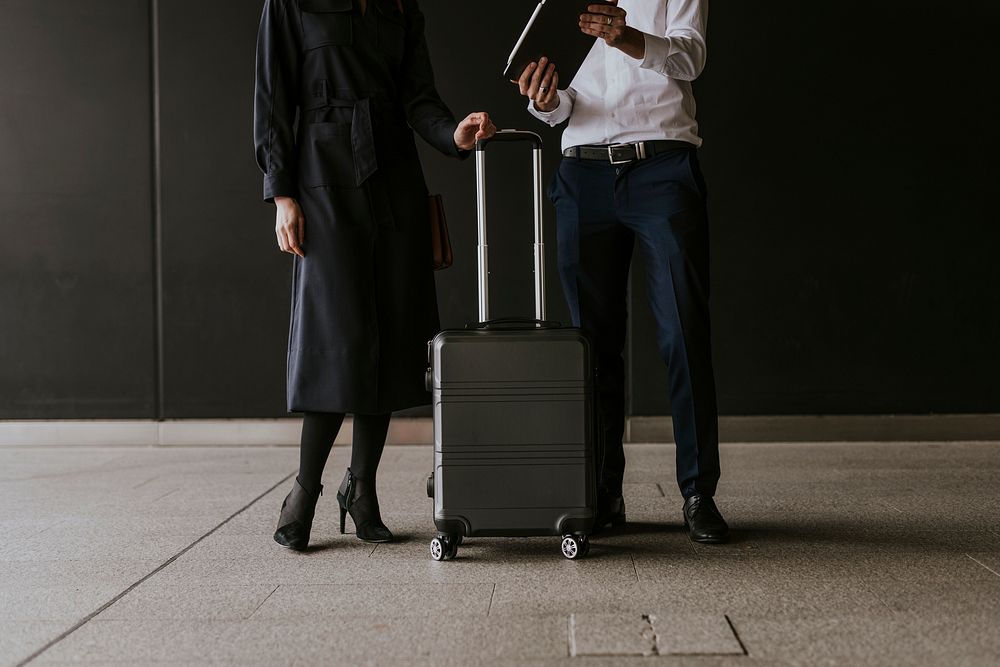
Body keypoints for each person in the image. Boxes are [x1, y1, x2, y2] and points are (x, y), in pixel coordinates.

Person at [254, 0, 496, 550]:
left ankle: (362, 489)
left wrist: (452, 134)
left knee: (386, 330)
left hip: (393, 175)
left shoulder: (400, 5)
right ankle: (305, 491)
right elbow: (272, 100)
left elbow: (418, 96)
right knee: (333, 335)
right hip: (322, 174)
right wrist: (282, 193)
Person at [515, 0, 728, 542]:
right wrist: (547, 101)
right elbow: (568, 103)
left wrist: (627, 36)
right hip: (583, 171)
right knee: (591, 343)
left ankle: (698, 492)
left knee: (682, 331)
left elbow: (691, 58)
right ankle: (604, 493)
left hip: (661, 164)